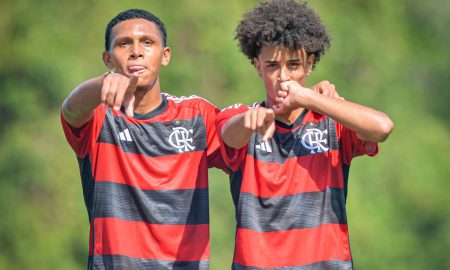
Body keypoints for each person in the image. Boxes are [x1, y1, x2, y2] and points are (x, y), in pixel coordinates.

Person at [216, 0, 394, 269]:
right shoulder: (242, 118)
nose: (284, 77)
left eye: (294, 65)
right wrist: (251, 121)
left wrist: (309, 98)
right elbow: (229, 136)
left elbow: (382, 127)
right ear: (258, 66)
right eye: (273, 65)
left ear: (310, 65)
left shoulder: (332, 122)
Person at [61, 9, 225, 269]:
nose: (136, 51)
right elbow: (71, 110)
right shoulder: (99, 119)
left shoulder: (197, 116)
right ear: (108, 58)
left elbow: (247, 147)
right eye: (124, 43)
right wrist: (104, 84)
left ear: (166, 55)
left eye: (147, 42)